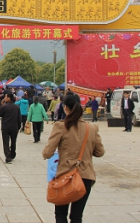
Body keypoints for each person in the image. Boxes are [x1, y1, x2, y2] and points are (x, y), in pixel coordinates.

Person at [42, 93, 105, 223]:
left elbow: (47, 153)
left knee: (60, 214)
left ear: (65, 108)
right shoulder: (91, 128)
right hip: (85, 177)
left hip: (65, 176)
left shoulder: (61, 126)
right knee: (77, 216)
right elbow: (100, 152)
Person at [0, 92, 21, 163]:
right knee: (13, 141)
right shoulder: (16, 107)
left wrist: (1, 105)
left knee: (6, 142)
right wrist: (18, 127)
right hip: (14, 127)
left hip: (6, 127)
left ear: (9, 98)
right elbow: (19, 118)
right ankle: (12, 154)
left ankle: (8, 156)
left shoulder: (4, 107)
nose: (4, 98)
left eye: (5, 97)